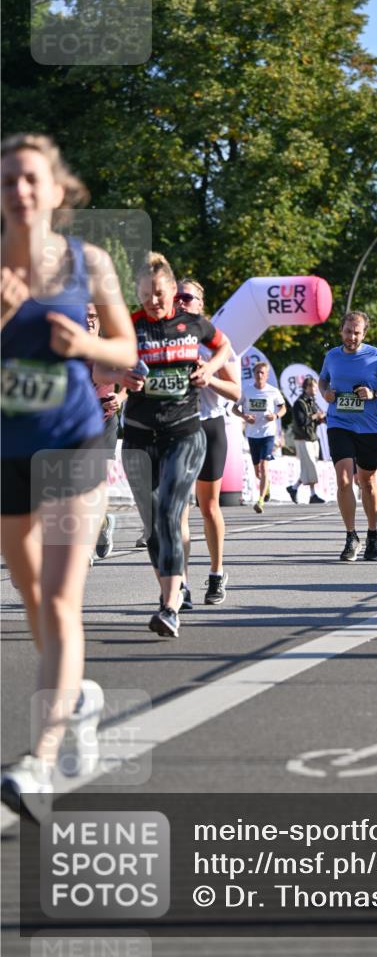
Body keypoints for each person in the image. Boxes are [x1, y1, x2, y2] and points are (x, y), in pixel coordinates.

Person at [0, 134, 136, 816]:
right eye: (7, 183)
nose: (19, 192)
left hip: (74, 441)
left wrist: (84, 344)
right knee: (28, 593)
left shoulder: (90, 261)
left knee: (58, 598)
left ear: (56, 191)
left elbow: (126, 349)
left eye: (30, 180)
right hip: (6, 448)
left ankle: (40, 762)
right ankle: (77, 694)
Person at [119, 253, 231, 638]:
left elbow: (224, 346)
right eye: (146, 295)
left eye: (161, 293)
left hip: (184, 431)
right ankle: (171, 588)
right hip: (137, 436)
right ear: (138, 294)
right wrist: (121, 377)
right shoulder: (128, 326)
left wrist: (209, 370)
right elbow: (97, 365)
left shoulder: (194, 324)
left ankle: (169, 607)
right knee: (152, 525)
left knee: (170, 510)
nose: (154, 300)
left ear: (172, 290)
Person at [176, 279, 241, 605]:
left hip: (210, 427)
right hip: (177, 428)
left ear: (201, 303)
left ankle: (216, 573)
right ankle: (181, 583)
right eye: (177, 297)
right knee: (179, 510)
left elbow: (236, 392)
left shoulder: (216, 343)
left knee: (209, 506)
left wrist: (208, 375)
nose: (181, 302)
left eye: (187, 297)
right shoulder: (168, 339)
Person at [318, 311, 377, 562]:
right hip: (339, 423)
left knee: (367, 482)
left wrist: (374, 393)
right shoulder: (332, 356)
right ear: (341, 331)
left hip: (370, 428)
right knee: (344, 479)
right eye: (347, 331)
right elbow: (322, 381)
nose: (351, 336)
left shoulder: (376, 356)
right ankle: (351, 535)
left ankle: (372, 534)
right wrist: (326, 394)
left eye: (356, 332)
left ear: (364, 333)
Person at [87, 302, 127, 562]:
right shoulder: (66, 349)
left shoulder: (110, 350)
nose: (88, 320)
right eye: (84, 316)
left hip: (105, 422)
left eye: (93, 316)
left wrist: (120, 398)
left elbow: (131, 383)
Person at [232, 361, 286, 514]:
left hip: (268, 433)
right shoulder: (247, 391)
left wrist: (275, 415)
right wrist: (244, 416)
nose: (259, 375)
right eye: (257, 372)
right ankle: (266, 486)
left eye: (262, 373)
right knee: (258, 471)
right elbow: (234, 408)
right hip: (252, 434)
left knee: (264, 466)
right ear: (254, 374)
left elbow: (283, 408)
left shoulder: (273, 391)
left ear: (267, 375)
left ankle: (260, 500)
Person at [286, 376, 326, 504]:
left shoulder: (311, 402)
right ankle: (312, 494)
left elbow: (313, 422)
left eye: (315, 386)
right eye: (312, 386)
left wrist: (321, 419)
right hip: (303, 439)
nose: (315, 389)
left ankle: (294, 488)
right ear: (306, 388)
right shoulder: (299, 403)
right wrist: (316, 416)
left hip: (312, 438)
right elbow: (301, 421)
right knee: (311, 466)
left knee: (307, 467)